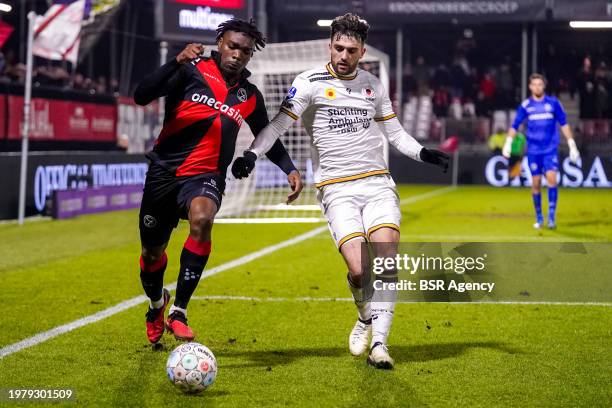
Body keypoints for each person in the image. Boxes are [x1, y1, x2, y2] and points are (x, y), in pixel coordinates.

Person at [231, 13, 449, 369]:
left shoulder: (373, 85)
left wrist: (423, 152)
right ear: (329, 46)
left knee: (387, 258)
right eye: (338, 48)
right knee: (360, 269)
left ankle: (380, 344)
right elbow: (278, 125)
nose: (343, 55)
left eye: (351, 50)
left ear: (362, 51)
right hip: (336, 189)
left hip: (377, 183)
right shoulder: (309, 82)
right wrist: (252, 154)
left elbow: (394, 133)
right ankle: (365, 317)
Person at [133, 18, 303, 344]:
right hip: (163, 174)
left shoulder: (249, 95)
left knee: (202, 218)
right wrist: (175, 61)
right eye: (233, 46)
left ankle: (179, 310)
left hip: (206, 176)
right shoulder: (190, 70)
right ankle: (157, 305)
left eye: (246, 51)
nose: (238, 54)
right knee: (152, 254)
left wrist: (290, 169)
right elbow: (142, 96)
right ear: (220, 42)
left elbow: (266, 135)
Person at [503, 73, 580, 229]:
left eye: (540, 84)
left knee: (552, 179)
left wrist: (572, 144)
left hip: (550, 149)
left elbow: (564, 124)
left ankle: (551, 218)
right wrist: (508, 142)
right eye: (534, 84)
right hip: (533, 151)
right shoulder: (526, 105)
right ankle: (539, 216)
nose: (537, 87)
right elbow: (515, 125)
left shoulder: (553, 103)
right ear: (530, 87)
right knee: (536, 183)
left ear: (544, 86)